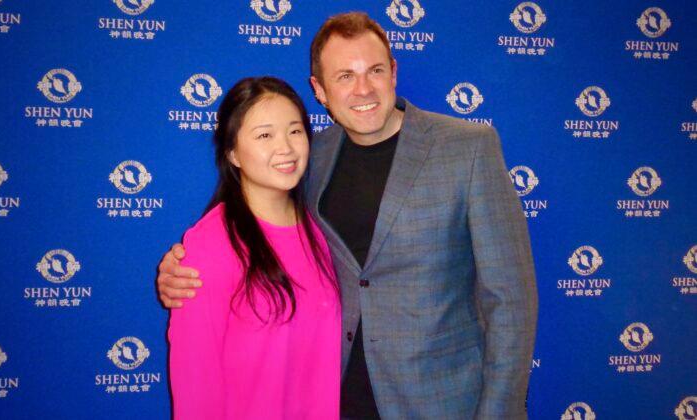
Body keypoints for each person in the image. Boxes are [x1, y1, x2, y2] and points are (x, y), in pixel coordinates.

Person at [159, 12, 538, 420]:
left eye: (374, 70)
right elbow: (256, 234)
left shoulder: (468, 148)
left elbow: (511, 300)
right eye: (344, 76)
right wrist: (182, 270)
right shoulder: (309, 158)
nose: (363, 89)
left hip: (442, 402)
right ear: (320, 90)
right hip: (337, 401)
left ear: (393, 72)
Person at [167, 77, 340, 420]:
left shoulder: (318, 228)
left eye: (294, 131)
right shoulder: (210, 245)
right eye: (264, 135)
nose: (286, 148)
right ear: (232, 152)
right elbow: (195, 383)